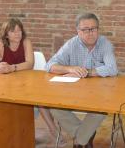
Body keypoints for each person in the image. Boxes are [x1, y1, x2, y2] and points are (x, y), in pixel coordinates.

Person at [0, 18, 63, 146]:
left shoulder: (26, 42)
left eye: (20, 30)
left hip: (26, 84)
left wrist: (13, 68)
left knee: (38, 99)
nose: (18, 33)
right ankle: (9, 134)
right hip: (6, 87)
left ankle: (54, 131)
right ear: (6, 34)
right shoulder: (1, 45)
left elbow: (30, 64)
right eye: (13, 31)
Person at [46, 12, 118, 148]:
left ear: (98, 29)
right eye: (85, 30)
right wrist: (70, 69)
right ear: (78, 31)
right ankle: (86, 134)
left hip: (98, 95)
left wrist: (87, 72)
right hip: (74, 93)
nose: (90, 33)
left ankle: (80, 141)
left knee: (102, 108)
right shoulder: (71, 44)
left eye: (93, 29)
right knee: (53, 106)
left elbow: (113, 69)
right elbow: (49, 65)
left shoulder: (105, 44)